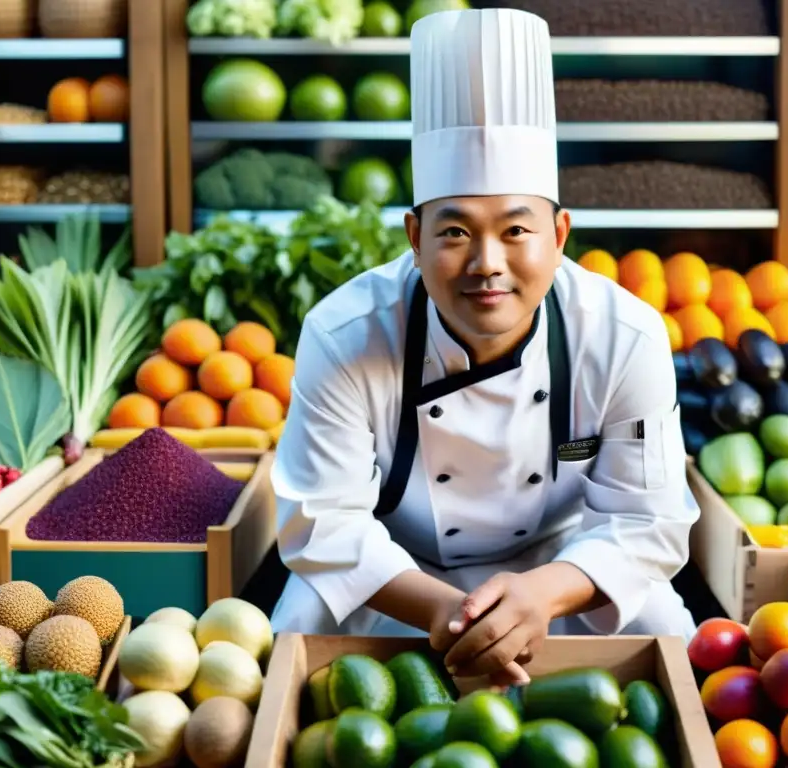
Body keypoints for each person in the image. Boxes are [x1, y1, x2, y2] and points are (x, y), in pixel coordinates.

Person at [270, 7, 699, 684]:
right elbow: (322, 525)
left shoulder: (625, 336)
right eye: (455, 233)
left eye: (516, 231)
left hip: (561, 570)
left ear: (560, 235)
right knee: (291, 630)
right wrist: (447, 612)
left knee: (671, 630)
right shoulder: (345, 332)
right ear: (413, 237)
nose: (487, 263)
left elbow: (649, 523)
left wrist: (544, 593)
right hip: (395, 573)